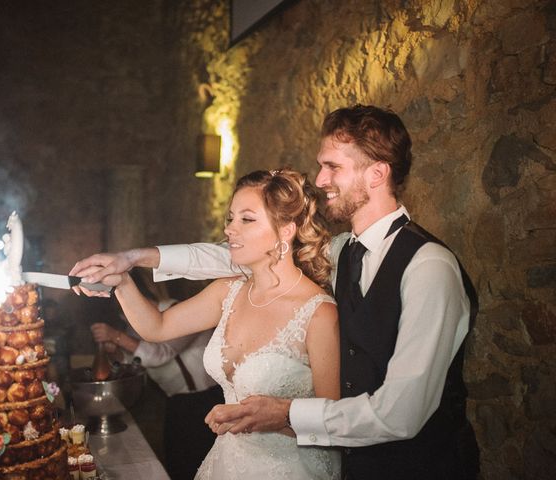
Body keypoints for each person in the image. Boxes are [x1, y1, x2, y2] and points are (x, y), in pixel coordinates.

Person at [70, 105, 480, 480]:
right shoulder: (342, 252)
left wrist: (286, 413)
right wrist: (132, 259)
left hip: (421, 468)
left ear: (377, 173)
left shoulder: (430, 268)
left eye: (332, 167)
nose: (320, 180)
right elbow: (237, 256)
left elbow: (402, 413)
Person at [72, 169, 342, 479]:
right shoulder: (229, 289)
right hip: (227, 463)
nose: (230, 230)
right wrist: (122, 282)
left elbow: (331, 422)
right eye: (230, 218)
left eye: (246, 219)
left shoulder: (318, 312)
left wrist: (278, 418)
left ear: (285, 231)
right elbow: (157, 327)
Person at [90, 269, 223, 480]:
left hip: (205, 401)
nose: (129, 318)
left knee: (202, 465)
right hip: (176, 402)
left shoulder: (180, 310)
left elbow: (160, 354)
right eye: (123, 314)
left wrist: (117, 336)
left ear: (144, 297)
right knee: (177, 464)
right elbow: (135, 361)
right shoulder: (137, 324)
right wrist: (115, 349)